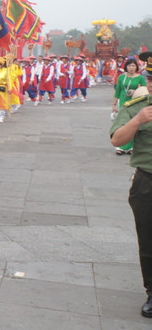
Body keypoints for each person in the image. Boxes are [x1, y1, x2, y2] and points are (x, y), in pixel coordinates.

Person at [110, 51, 152, 319]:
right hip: (147, 182)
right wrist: (138, 121)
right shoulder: (138, 107)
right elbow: (116, 139)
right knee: (148, 241)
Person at [113, 58, 146, 155]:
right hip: (122, 102)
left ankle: (130, 147)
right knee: (121, 123)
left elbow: (145, 89)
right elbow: (117, 91)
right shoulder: (121, 77)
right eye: (129, 65)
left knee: (132, 124)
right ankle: (120, 147)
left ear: (136, 67)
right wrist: (114, 104)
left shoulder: (140, 78)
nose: (131, 68)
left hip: (135, 102)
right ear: (126, 66)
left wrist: (135, 91)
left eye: (133, 66)